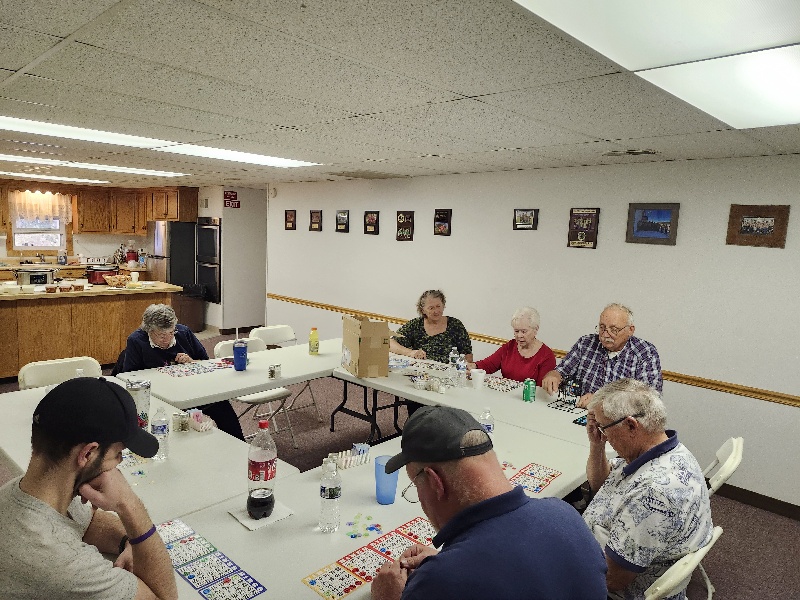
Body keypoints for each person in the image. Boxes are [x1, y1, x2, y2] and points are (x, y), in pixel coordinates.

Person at [371, 406, 607, 600]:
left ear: (435, 482)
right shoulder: (566, 515)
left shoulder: (441, 583)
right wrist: (449, 559)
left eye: (416, 485)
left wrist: (389, 598)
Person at [0, 377, 178, 600]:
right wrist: (129, 505)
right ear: (87, 454)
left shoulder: (24, 492)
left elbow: (87, 522)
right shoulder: (61, 561)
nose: (118, 465)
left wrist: (129, 542)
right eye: (117, 454)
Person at [582, 379, 713, 600]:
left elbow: (613, 579)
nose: (603, 435)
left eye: (604, 429)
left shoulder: (653, 493)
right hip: (609, 538)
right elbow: (601, 485)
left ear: (631, 425)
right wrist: (597, 445)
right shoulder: (663, 449)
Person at [121, 303, 244, 441]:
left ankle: (240, 444)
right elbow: (129, 376)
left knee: (221, 404)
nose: (167, 339)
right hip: (160, 396)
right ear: (149, 331)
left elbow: (205, 362)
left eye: (171, 332)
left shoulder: (183, 332)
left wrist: (191, 361)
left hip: (191, 390)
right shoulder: (137, 341)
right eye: (161, 335)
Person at [541, 303, 662, 408]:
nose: (605, 334)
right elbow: (561, 371)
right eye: (602, 328)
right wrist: (554, 375)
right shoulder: (586, 343)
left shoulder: (645, 353)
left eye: (613, 329)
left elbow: (650, 400)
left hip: (620, 423)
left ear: (630, 330)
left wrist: (601, 401)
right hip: (582, 414)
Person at [467, 306, 556, 383]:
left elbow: (542, 391)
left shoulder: (546, 356)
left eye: (524, 331)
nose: (519, 335)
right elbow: (489, 365)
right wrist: (474, 366)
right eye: (516, 331)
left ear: (535, 330)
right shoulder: (510, 346)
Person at [389, 290, 473, 363]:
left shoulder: (455, 325)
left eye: (438, 306)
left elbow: (468, 355)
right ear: (423, 310)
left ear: (443, 305)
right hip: (422, 373)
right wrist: (410, 352)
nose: (436, 311)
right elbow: (390, 343)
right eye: (431, 308)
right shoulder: (416, 325)